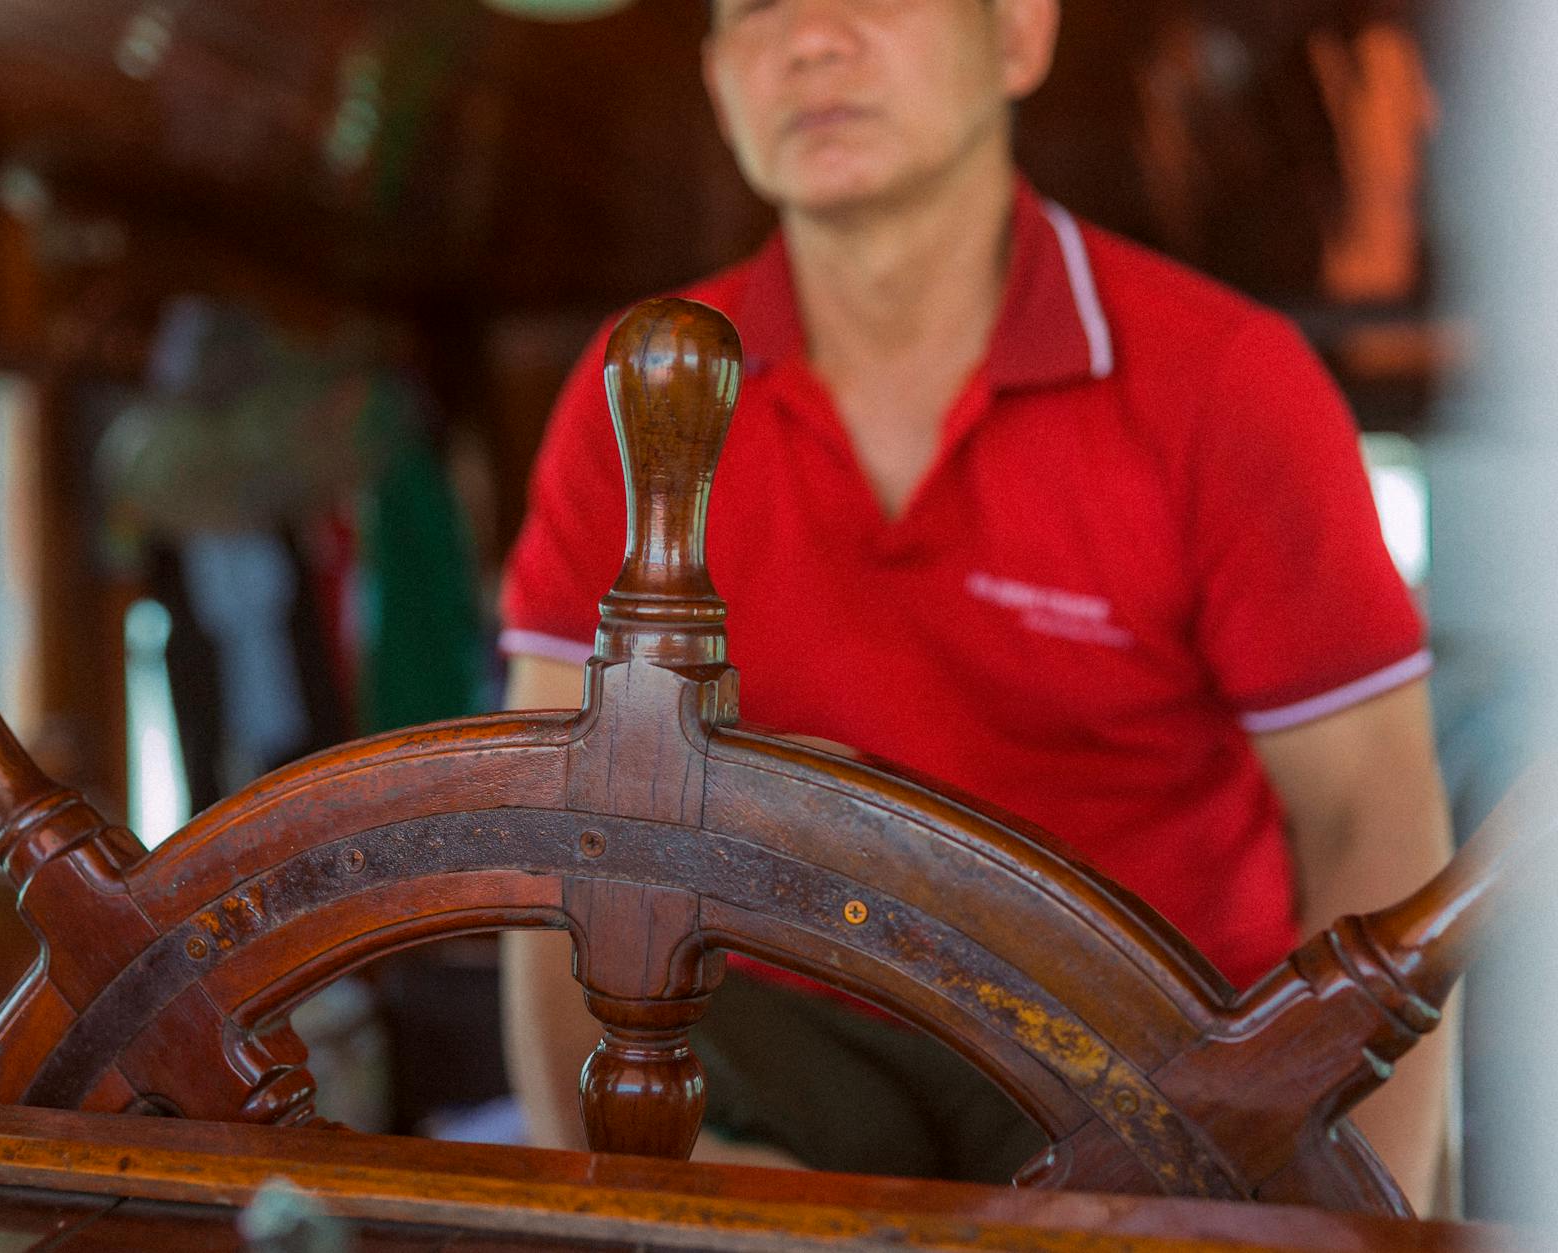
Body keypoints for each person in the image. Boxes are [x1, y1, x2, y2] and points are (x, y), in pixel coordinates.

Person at [496, 0, 1452, 1208]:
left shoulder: (1227, 385)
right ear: (712, 77)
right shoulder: (635, 387)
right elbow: (542, 817)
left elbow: (1373, 820)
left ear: (1017, 37)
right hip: (770, 1049)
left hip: (1143, 1063)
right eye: (752, 10)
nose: (808, 38)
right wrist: (583, 1180)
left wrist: (1354, 1215)